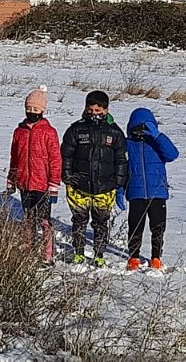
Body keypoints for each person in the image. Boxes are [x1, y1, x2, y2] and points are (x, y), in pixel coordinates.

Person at [61, 90, 128, 267]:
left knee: (101, 223)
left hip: (105, 187)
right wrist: (67, 175)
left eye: (98, 111)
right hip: (78, 186)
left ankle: (99, 254)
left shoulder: (114, 132)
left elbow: (121, 159)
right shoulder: (76, 129)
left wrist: (119, 183)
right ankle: (78, 252)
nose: (94, 114)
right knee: (79, 221)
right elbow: (66, 155)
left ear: (106, 110)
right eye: (90, 110)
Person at [118, 108, 179, 271]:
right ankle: (134, 257)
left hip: (157, 192)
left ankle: (156, 257)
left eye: (145, 126)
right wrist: (120, 189)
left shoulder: (157, 143)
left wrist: (157, 136)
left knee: (158, 227)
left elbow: (172, 154)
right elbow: (122, 169)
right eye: (137, 127)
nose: (141, 131)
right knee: (135, 227)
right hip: (136, 192)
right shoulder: (127, 144)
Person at [7, 86, 62, 264]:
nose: (32, 112)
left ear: (42, 111)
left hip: (42, 184)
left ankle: (48, 254)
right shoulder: (19, 131)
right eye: (29, 108)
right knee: (28, 217)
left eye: (36, 109)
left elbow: (55, 159)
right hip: (25, 182)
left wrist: (54, 184)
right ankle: (28, 247)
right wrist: (12, 179)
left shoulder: (49, 132)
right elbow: (14, 157)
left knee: (44, 220)